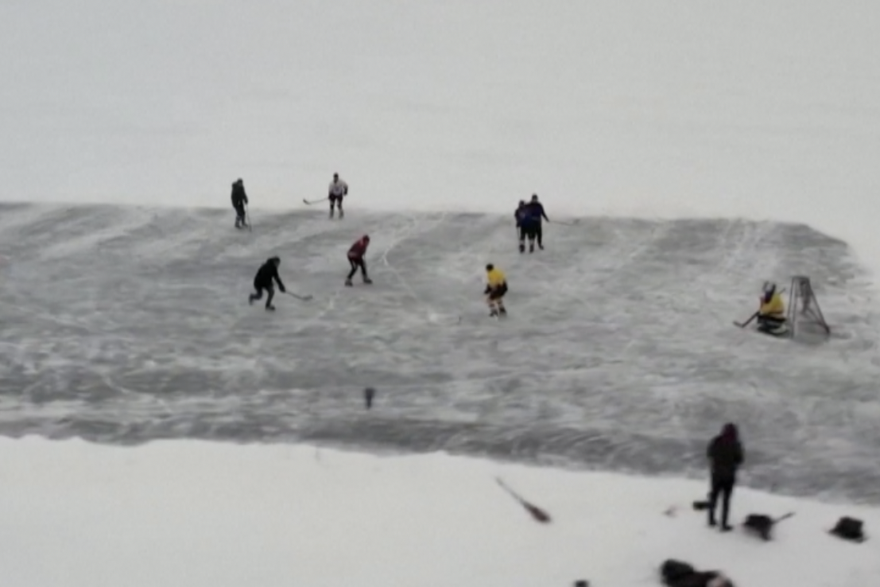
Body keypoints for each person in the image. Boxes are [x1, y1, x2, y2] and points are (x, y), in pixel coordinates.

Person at [706, 423, 743, 531]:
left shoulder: (716, 441)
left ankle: (711, 520)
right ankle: (724, 524)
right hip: (729, 476)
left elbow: (709, 453)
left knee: (714, 497)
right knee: (726, 501)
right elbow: (740, 459)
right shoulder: (735, 444)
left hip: (716, 474)